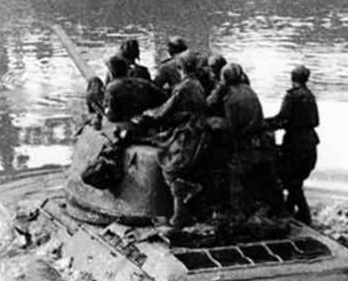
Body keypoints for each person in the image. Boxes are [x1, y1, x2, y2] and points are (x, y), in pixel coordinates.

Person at [141, 51, 208, 228]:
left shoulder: (183, 87)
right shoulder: (197, 84)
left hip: (186, 134)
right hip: (197, 132)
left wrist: (150, 113)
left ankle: (180, 215)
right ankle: (189, 197)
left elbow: (164, 111)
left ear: (179, 68)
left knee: (171, 169)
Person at [220, 64, 284, 218]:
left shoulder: (230, 100)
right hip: (262, 141)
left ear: (225, 79)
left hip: (246, 144)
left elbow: (232, 129)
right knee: (270, 179)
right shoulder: (249, 90)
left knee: (235, 177)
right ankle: (281, 211)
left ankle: (238, 215)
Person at [266, 64, 320, 225]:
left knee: (291, 181)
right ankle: (289, 209)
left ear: (292, 79)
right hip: (311, 142)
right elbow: (316, 121)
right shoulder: (311, 96)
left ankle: (305, 216)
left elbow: (282, 119)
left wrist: (265, 124)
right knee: (297, 179)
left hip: (295, 144)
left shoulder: (291, 97)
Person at [103, 55, 165, 123]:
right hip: (148, 120)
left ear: (111, 73)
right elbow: (164, 97)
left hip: (128, 124)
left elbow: (112, 114)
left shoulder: (111, 88)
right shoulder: (143, 82)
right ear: (127, 70)